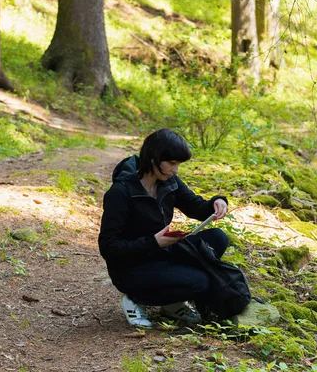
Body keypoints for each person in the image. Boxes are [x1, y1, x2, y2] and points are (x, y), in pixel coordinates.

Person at [98, 128, 230, 327]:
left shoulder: (168, 182)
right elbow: (108, 247)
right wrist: (153, 242)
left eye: (178, 164)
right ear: (154, 158)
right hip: (131, 268)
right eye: (172, 163)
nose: (176, 170)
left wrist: (217, 202)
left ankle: (170, 302)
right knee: (200, 282)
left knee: (218, 238)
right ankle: (135, 299)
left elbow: (195, 206)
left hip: (160, 253)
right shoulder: (121, 192)